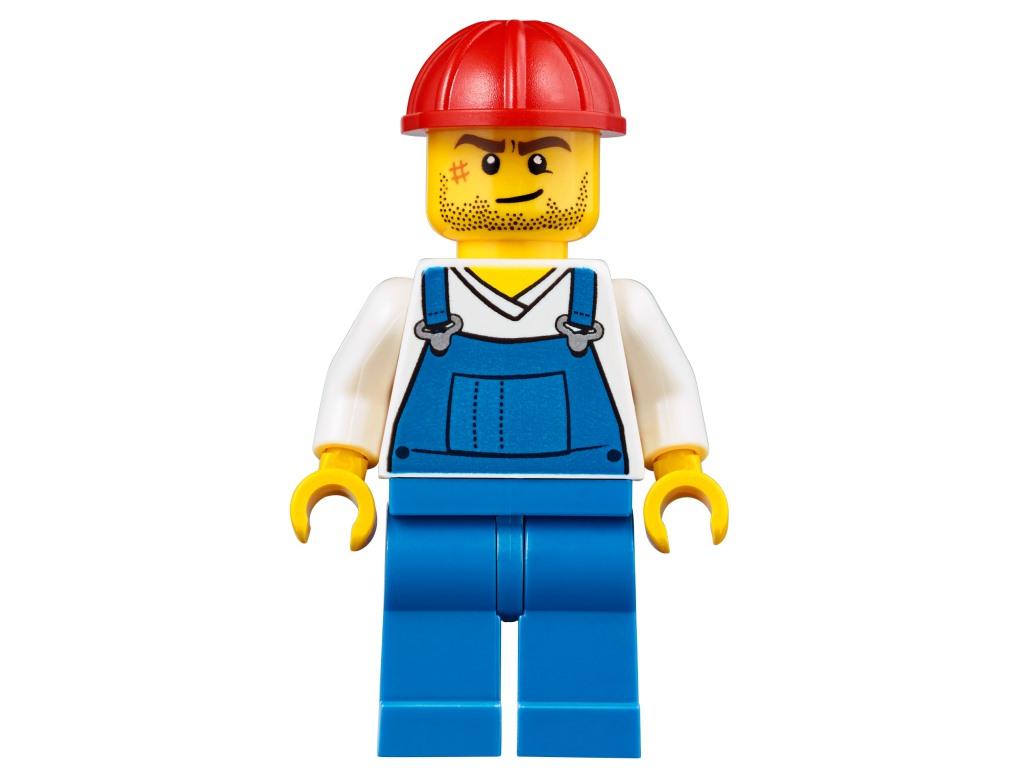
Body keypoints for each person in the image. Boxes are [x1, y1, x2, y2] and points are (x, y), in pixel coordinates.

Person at [290, 20, 728, 758]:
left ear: (591, 166)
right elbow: (356, 388)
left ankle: (582, 733)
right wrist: (340, 465)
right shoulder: (408, 300)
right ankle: (434, 733)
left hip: (585, 510)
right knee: (429, 648)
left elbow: (664, 391)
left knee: (589, 649)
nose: (513, 178)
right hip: (434, 509)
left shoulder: (616, 303)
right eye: (485, 158)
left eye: (545, 158)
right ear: (437, 164)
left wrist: (679, 467)